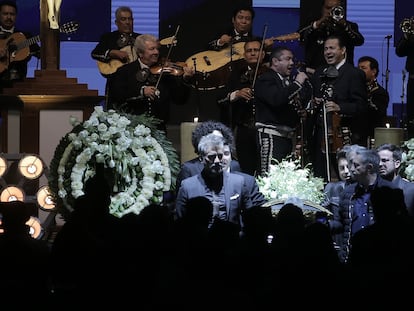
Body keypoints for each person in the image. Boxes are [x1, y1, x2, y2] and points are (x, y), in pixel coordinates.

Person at [308, 35, 368, 181]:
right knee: (319, 177)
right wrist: (314, 103)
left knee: (347, 176)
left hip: (343, 135)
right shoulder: (319, 73)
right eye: (325, 49)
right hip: (320, 135)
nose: (328, 52)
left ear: (343, 50)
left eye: (332, 48)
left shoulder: (354, 73)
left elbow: (361, 106)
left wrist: (340, 107)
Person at [107, 34, 195, 132]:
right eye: (152, 49)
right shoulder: (125, 71)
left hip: (159, 131)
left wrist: (186, 80)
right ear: (140, 53)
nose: (156, 52)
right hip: (131, 129)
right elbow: (117, 95)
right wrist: (141, 92)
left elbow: (180, 99)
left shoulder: (165, 72)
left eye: (157, 49)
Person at [328, 146, 395, 263]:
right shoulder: (348, 193)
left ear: (369, 168)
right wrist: (327, 224)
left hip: (380, 259)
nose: (351, 169)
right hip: (351, 258)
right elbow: (341, 223)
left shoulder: (388, 191)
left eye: (356, 165)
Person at [175, 133, 253, 234]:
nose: (217, 161)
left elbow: (250, 218)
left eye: (220, 156)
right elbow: (179, 223)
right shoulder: (188, 186)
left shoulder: (238, 182)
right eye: (211, 157)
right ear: (201, 158)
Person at [254, 45, 311, 175]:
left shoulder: (285, 82)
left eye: (292, 59)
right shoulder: (266, 79)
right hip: (271, 135)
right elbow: (276, 100)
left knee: (284, 179)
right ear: (275, 61)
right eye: (288, 59)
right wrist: (297, 84)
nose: (292, 63)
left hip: (287, 137)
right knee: (269, 177)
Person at [217, 37, 270, 175]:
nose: (253, 53)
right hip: (244, 129)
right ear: (244, 55)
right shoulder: (235, 74)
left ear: (263, 54)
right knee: (245, 168)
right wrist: (237, 94)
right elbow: (220, 98)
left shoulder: (270, 74)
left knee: (265, 169)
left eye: (256, 50)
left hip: (266, 129)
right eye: (249, 51)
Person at [297, 0, 364, 74]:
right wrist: (317, 24)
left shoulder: (349, 26)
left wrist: (344, 26)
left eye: (335, 9)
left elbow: (359, 41)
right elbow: (299, 36)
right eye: (328, 8)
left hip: (343, 75)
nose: (331, 12)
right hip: (315, 73)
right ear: (322, 9)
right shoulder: (313, 25)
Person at [91, 6, 141, 100]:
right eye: (123, 19)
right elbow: (95, 53)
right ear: (116, 22)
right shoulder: (109, 38)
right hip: (116, 86)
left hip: (137, 85)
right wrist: (112, 52)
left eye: (129, 19)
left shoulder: (140, 39)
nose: (127, 22)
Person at [175, 120, 241, 191]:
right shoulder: (189, 169)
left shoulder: (234, 165)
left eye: (220, 140)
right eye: (212, 139)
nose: (217, 143)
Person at [0, 0, 40, 92]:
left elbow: (40, 53)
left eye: (12, 14)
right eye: (5, 14)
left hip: (18, 86)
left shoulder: (25, 37)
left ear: (16, 16)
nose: (9, 17)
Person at [376, 143, 414, 217]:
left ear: (397, 163)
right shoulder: (372, 189)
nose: (380, 164)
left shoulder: (410, 191)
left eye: (384, 160)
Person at [357, 56, 389, 141]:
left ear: (373, 71)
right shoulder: (355, 89)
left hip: (372, 135)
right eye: (358, 68)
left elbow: (377, 114)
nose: (359, 71)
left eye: (363, 68)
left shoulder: (380, 92)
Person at [396, 20, 414, 136]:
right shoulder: (411, 36)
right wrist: (407, 36)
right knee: (412, 116)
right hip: (413, 80)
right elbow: (400, 52)